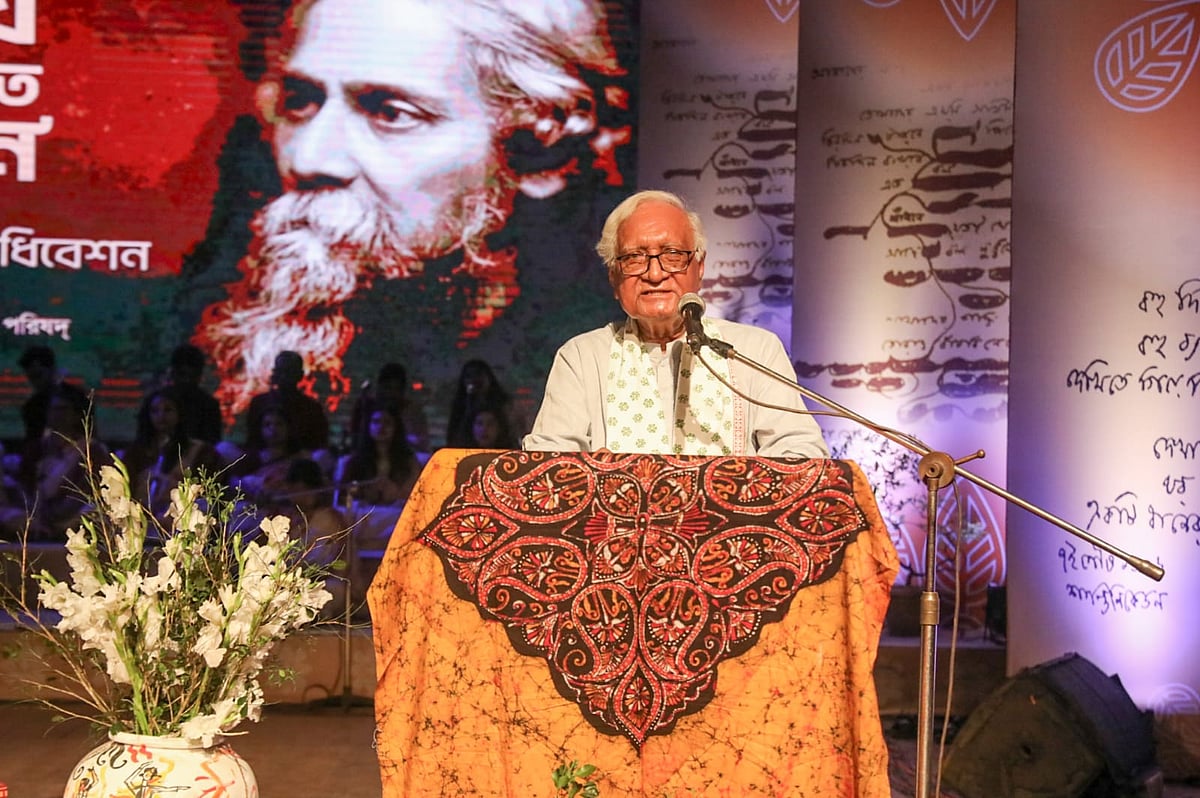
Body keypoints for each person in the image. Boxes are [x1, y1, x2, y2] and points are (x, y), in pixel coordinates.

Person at [190, 0, 629, 420]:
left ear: (536, 148)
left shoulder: (589, 359)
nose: (308, 158)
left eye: (392, 113)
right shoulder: (189, 317)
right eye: (301, 101)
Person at [523, 190, 830, 457]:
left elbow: (802, 452)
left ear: (699, 267)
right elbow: (547, 463)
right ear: (614, 277)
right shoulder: (582, 356)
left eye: (671, 255)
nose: (654, 274)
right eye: (634, 257)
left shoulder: (753, 351)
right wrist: (594, 473)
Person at [121, 386, 223, 523]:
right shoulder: (137, 451)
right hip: (138, 516)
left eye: (168, 410)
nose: (161, 416)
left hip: (180, 517)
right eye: (155, 411)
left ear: (180, 413)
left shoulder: (200, 451)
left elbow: (207, 491)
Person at [334, 404, 421, 507]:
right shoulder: (355, 461)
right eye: (376, 422)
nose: (381, 427)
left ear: (396, 427)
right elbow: (343, 497)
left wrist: (396, 493)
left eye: (387, 422)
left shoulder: (409, 461)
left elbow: (417, 495)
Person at [244, 351, 330, 454]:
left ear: (300, 375)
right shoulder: (259, 403)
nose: (284, 376)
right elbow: (252, 441)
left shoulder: (312, 408)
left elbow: (318, 443)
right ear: (274, 373)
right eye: (281, 371)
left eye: (289, 372)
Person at [17, 345, 91, 446]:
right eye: (31, 377)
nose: (35, 382)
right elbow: (32, 444)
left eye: (38, 375)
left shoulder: (77, 399)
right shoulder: (31, 407)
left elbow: (91, 435)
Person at [348, 362, 430, 453]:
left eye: (396, 389)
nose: (391, 394)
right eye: (387, 388)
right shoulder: (364, 407)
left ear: (402, 391)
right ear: (379, 388)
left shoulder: (414, 413)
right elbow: (355, 441)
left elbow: (421, 445)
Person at [444, 359, 518, 448]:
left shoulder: (502, 404)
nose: (473, 381)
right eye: (469, 376)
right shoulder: (460, 406)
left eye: (478, 375)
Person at [163, 344, 224, 445]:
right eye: (182, 374)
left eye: (191, 376)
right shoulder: (157, 403)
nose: (186, 380)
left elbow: (211, 444)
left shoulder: (209, 405)